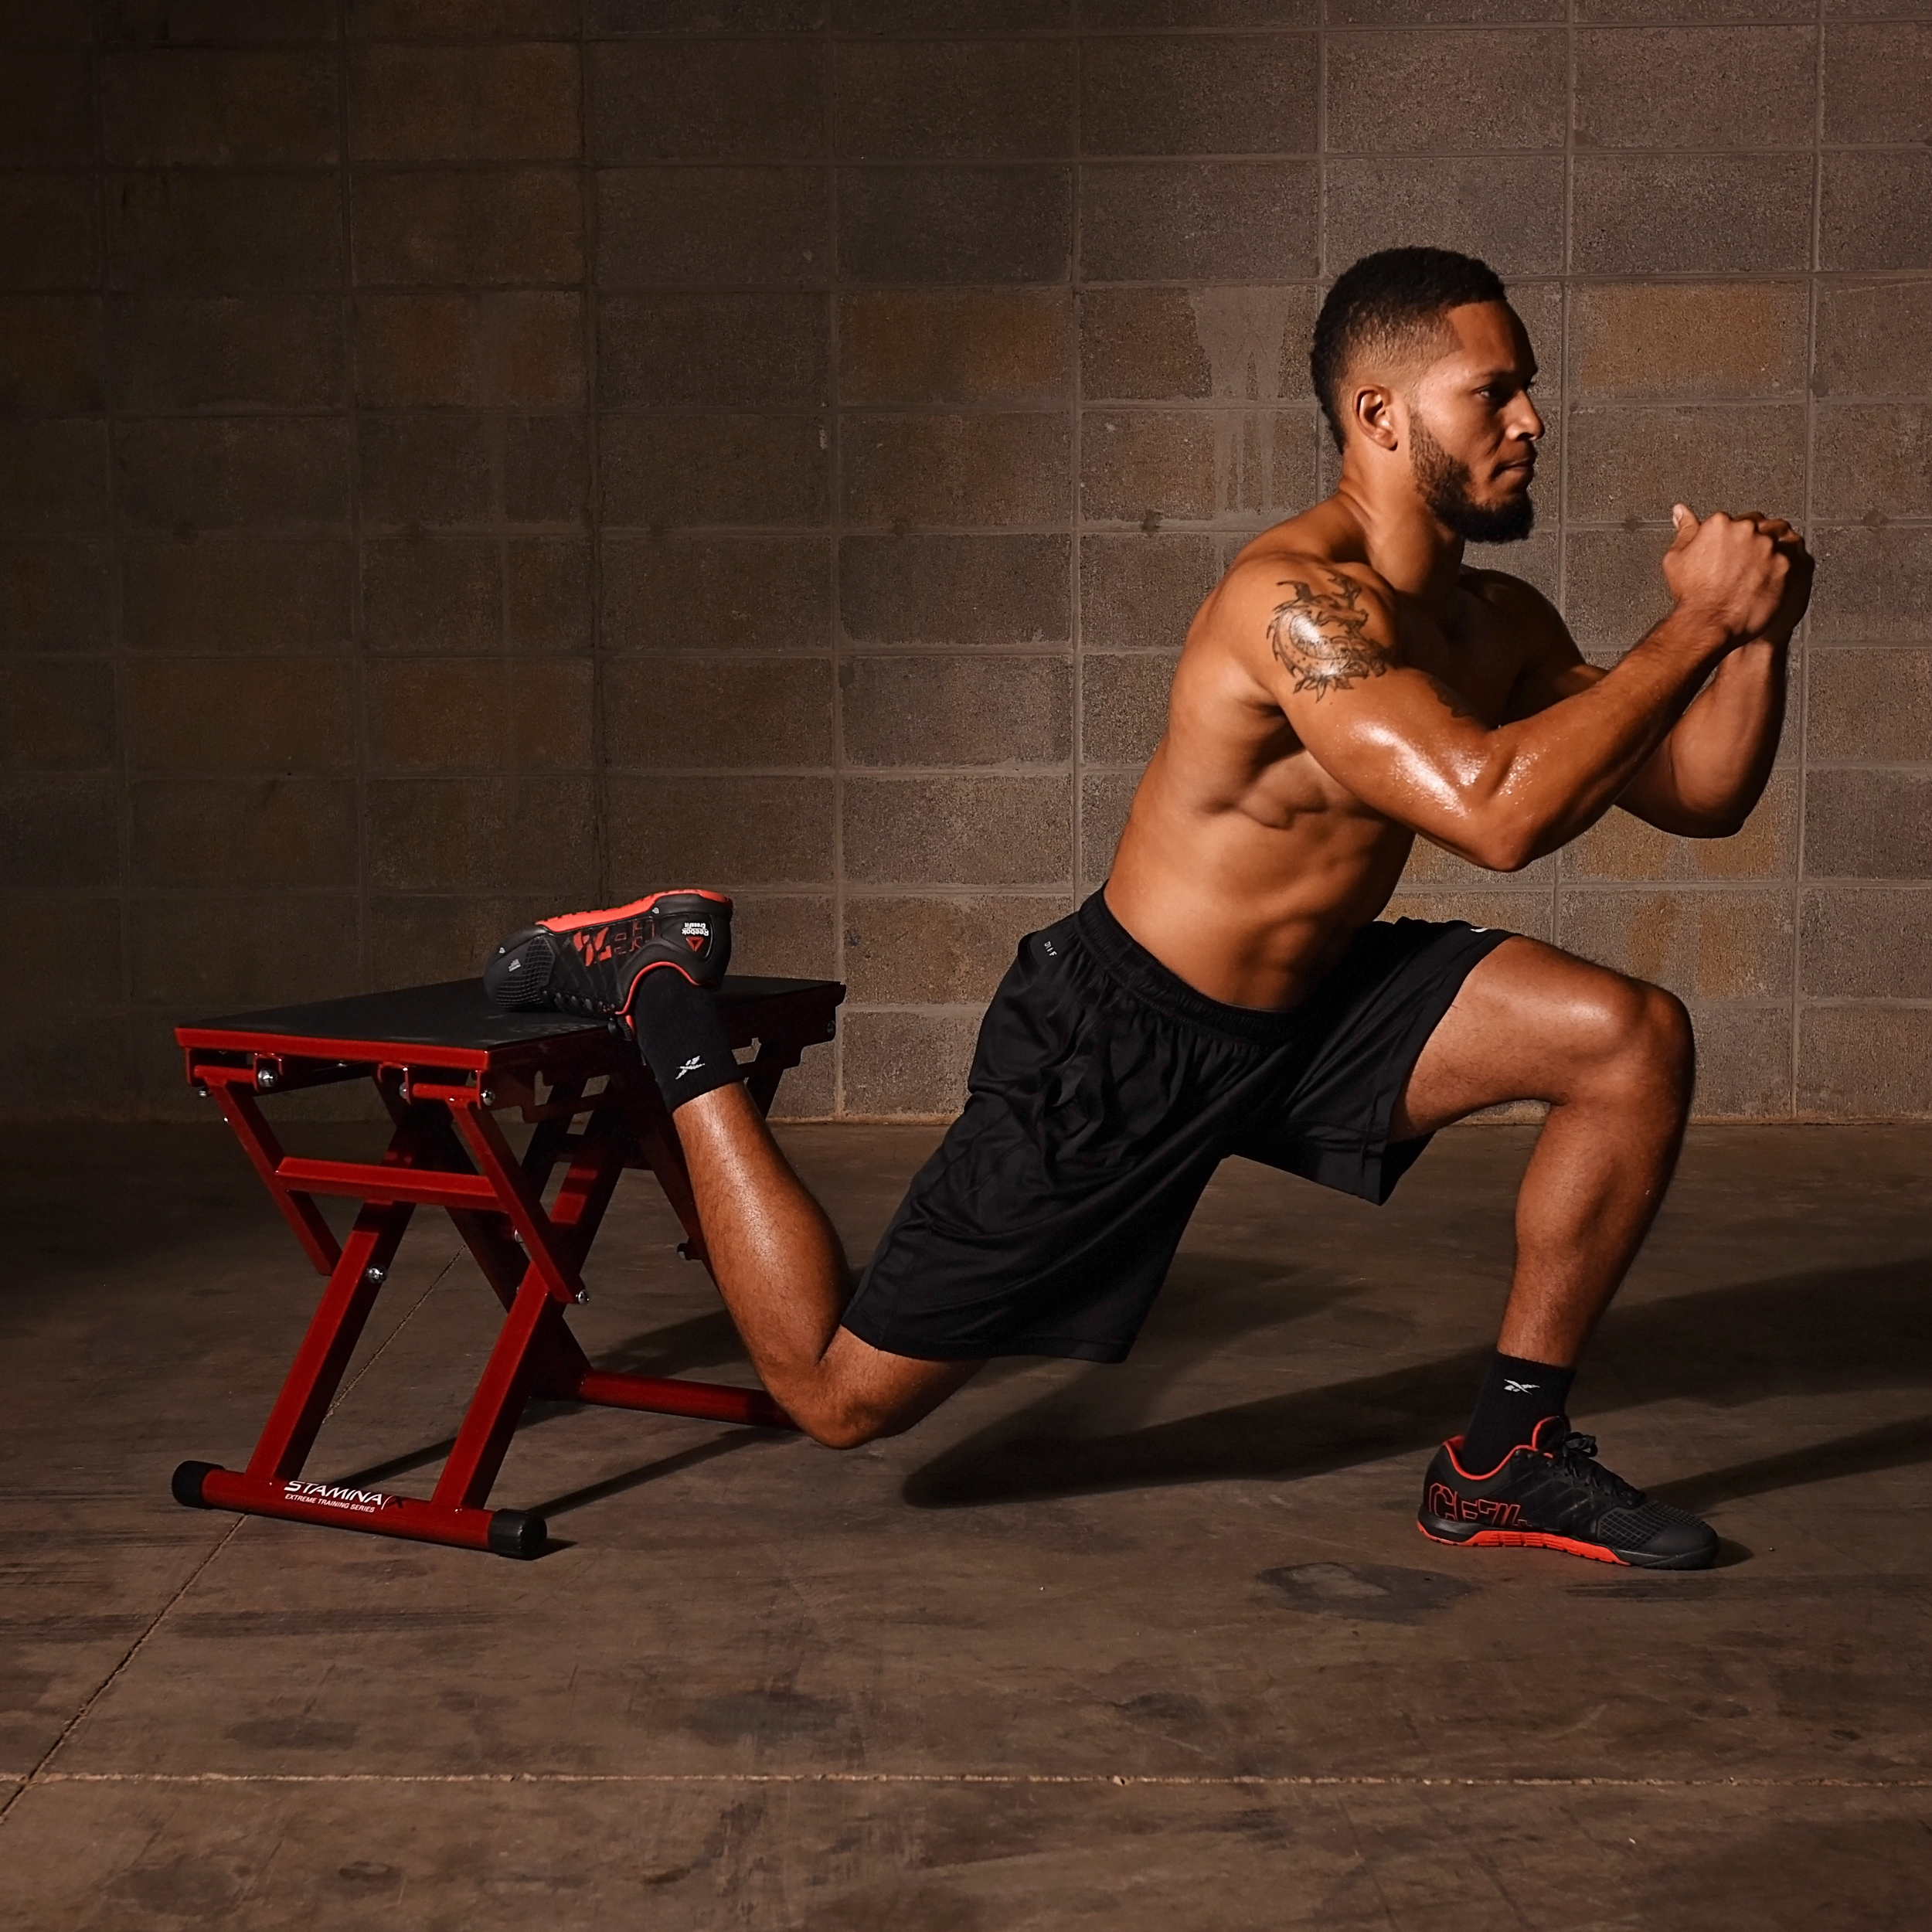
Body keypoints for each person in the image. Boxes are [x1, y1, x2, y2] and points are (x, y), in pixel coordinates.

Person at [485, 247, 1811, 1573]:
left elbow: (1699, 793)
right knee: (836, 1398)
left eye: (1530, 390)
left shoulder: (1494, 618)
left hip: (1314, 1007)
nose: (1531, 421)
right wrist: (1691, 631)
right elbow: (1495, 811)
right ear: (1382, 415)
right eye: (1496, 391)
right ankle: (661, 992)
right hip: (1121, 1035)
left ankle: (1503, 1460)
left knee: (1628, 1037)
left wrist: (1758, 633)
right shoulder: (1290, 603)